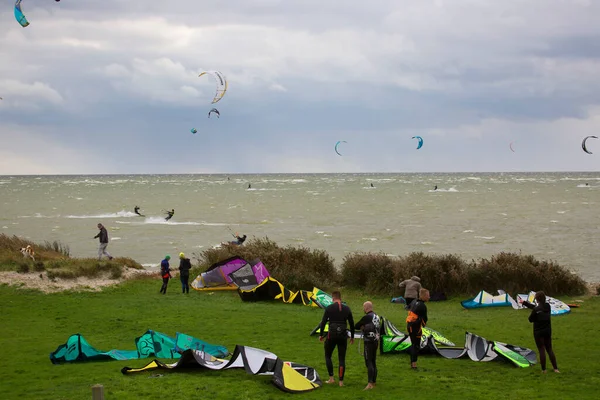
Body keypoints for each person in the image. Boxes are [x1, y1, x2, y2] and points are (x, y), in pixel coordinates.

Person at [318, 290, 355, 387]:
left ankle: (331, 378)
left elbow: (323, 322)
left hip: (332, 335)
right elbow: (351, 323)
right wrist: (352, 336)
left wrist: (321, 334)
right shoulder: (347, 308)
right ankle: (341, 382)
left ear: (333, 298)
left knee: (328, 356)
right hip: (343, 335)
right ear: (340, 298)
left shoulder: (329, 308)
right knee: (341, 359)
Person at [523, 291, 559, 373]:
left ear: (537, 299)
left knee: (541, 349)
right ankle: (555, 368)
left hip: (538, 332)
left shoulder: (536, 309)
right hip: (547, 331)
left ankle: (544, 370)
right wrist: (525, 303)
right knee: (549, 349)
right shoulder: (547, 306)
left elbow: (530, 319)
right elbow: (537, 308)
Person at [355, 301, 380, 390]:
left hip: (368, 342)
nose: (363, 309)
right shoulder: (376, 316)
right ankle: (374, 382)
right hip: (375, 341)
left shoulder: (367, 317)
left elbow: (356, 326)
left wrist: (363, 327)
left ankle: (369, 383)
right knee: (373, 361)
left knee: (368, 362)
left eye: (363, 308)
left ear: (366, 308)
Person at [406, 288, 429, 370]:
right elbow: (424, 320)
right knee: (415, 346)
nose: (429, 297)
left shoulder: (414, 301)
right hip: (415, 327)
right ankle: (414, 365)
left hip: (409, 326)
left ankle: (412, 363)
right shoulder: (423, 306)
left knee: (413, 344)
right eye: (427, 295)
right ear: (423, 296)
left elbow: (408, 308)